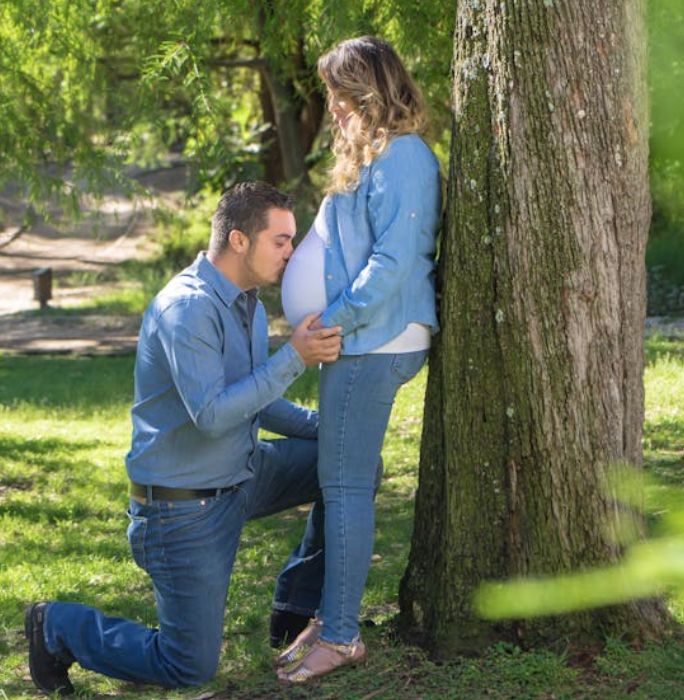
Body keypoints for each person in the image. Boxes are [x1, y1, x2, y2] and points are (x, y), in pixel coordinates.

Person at [24, 182, 343, 695]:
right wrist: (295, 358)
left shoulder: (250, 307)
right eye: (281, 241)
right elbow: (214, 415)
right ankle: (57, 626)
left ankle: (295, 609)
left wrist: (331, 431)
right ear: (239, 240)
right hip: (182, 511)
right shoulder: (187, 308)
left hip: (243, 476)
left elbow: (255, 400)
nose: (291, 252)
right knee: (188, 666)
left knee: (348, 464)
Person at [276, 36, 442, 683]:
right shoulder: (372, 157)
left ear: (369, 90)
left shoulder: (404, 159)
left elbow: (394, 265)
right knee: (340, 483)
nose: (333, 107)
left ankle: (341, 635)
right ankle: (329, 614)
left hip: (373, 341)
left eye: (340, 94)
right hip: (357, 341)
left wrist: (328, 322)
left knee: (344, 490)